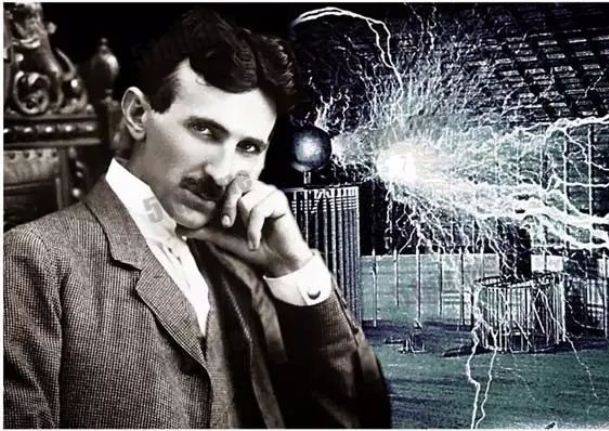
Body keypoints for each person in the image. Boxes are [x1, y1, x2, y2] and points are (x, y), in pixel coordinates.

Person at [3, 8, 390, 428]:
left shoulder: (244, 263)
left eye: (248, 148)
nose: (222, 173)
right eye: (204, 131)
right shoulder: (33, 260)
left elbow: (353, 421)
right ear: (137, 115)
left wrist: (292, 268)